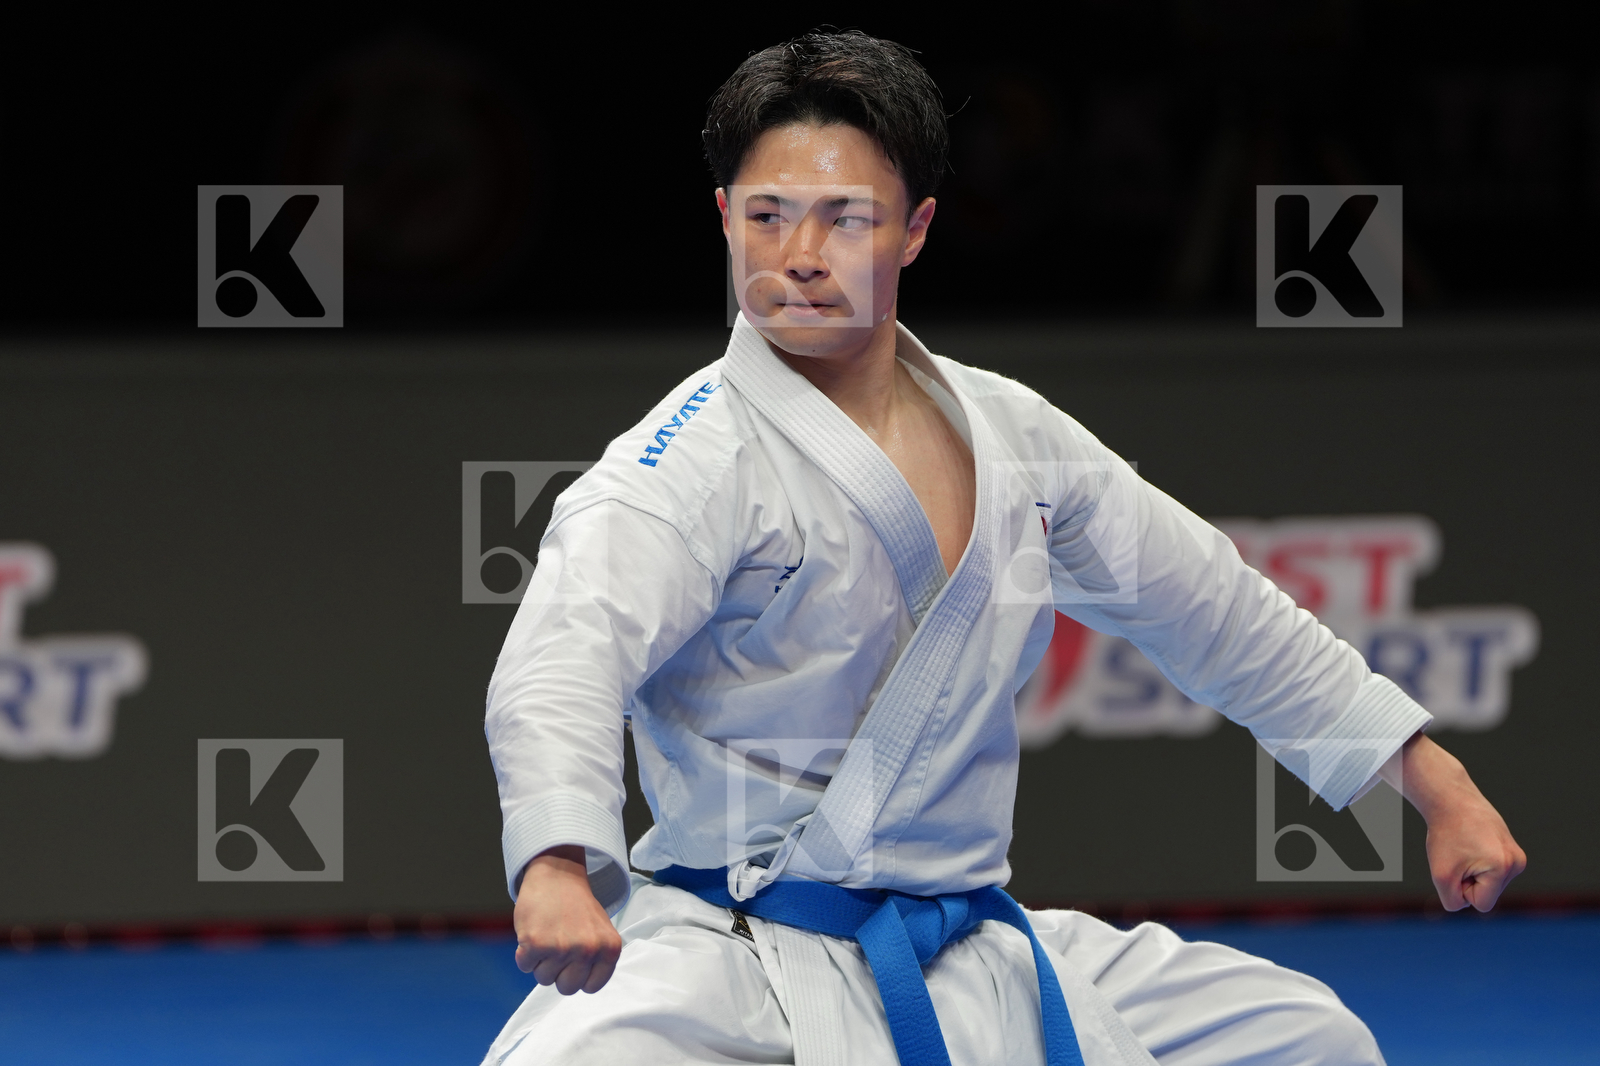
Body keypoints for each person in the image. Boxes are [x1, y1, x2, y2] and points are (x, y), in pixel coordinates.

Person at [480, 31, 1525, 1066]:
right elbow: (561, 661)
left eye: (845, 218)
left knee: (1305, 1037)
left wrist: (1437, 786)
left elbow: (1214, 612)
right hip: (737, 958)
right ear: (723, 219)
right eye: (766, 215)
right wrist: (557, 864)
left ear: (916, 230)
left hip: (965, 946)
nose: (798, 254)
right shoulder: (686, 461)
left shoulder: (1015, 438)